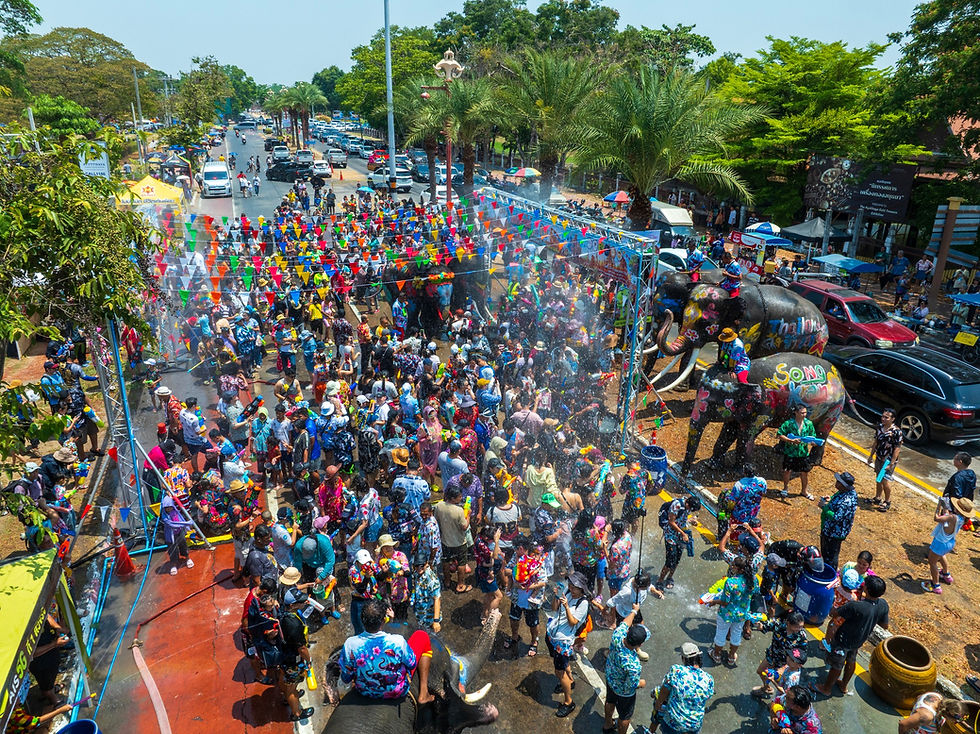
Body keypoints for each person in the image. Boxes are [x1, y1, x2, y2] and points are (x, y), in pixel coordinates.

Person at [338, 599, 434, 703]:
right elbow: (412, 664)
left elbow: (346, 677)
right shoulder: (397, 642)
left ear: (362, 620)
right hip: (397, 691)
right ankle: (424, 693)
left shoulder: (350, 644)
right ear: (384, 620)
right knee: (422, 635)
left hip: (364, 691)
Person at [815, 574, 888, 696]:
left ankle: (826, 688)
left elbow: (834, 614)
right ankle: (843, 685)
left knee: (837, 664)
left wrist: (835, 603)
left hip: (843, 639)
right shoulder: (883, 605)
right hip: (859, 639)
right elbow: (884, 625)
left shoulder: (855, 606)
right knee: (851, 660)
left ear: (867, 590)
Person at [546, 571, 591, 718]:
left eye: (574, 587)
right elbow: (554, 608)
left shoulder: (583, 603)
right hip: (553, 634)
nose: (571, 588)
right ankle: (570, 681)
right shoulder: (567, 591)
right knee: (563, 665)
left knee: (559, 672)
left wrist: (566, 606)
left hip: (563, 641)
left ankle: (568, 702)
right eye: (570, 585)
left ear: (582, 588)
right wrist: (556, 597)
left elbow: (573, 623)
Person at [646, 642, 714, 734]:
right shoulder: (708, 679)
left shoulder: (676, 671)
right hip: (694, 725)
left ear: (683, 658)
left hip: (674, 722)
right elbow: (707, 696)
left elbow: (664, 689)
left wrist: (658, 702)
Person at [603, 602, 648, 734]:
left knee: (610, 701)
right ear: (639, 644)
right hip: (623, 693)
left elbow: (625, 623)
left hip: (610, 679)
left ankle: (607, 725)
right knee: (625, 716)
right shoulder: (634, 664)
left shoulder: (617, 636)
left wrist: (634, 611)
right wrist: (641, 683)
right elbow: (630, 685)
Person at [706, 555, 757, 667]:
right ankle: (731, 657)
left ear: (741, 569)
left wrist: (714, 601)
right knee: (736, 634)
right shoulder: (753, 580)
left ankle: (717, 654)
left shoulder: (731, 582)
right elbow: (755, 592)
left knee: (721, 633)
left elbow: (725, 601)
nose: (732, 567)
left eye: (734, 566)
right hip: (741, 614)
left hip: (726, 614)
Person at [921, 496, 974, 594]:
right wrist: (945, 508)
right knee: (941, 556)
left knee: (932, 563)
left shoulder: (952, 517)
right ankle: (946, 574)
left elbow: (937, 518)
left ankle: (935, 585)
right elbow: (947, 518)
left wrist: (938, 506)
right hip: (949, 543)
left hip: (940, 543)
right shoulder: (961, 519)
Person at [278, 588, 316, 721]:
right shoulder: (293, 624)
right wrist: (309, 660)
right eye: (300, 602)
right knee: (292, 688)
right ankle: (296, 713)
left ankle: (285, 697)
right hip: (292, 659)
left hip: (283, 654)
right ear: (292, 605)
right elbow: (302, 649)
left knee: (284, 676)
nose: (303, 602)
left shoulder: (282, 612)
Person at [752, 611, 807, 698]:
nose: (800, 629)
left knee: (781, 686)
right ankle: (767, 688)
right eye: (797, 627)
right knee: (761, 671)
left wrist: (784, 667)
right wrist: (758, 625)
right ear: (788, 623)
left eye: (801, 626)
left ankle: (779, 703)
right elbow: (765, 626)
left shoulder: (801, 635)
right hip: (772, 655)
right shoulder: (778, 624)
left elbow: (801, 654)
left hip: (786, 663)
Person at [656, 495, 701, 590]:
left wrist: (690, 521)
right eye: (691, 509)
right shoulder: (677, 505)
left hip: (680, 534)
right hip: (670, 534)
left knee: (677, 559)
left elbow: (682, 520)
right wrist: (683, 533)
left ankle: (669, 577)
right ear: (687, 503)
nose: (690, 511)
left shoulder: (687, 506)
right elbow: (671, 522)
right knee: (670, 560)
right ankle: (660, 581)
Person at [433, 484, 471, 593]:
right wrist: (468, 515)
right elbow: (464, 527)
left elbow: (436, 521)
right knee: (461, 563)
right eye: (459, 496)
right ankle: (460, 584)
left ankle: (447, 581)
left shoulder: (439, 506)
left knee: (445, 561)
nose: (461, 498)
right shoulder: (459, 511)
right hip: (459, 542)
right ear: (453, 498)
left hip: (445, 541)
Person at [818, 472, 857, 570]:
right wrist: (831, 499)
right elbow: (838, 501)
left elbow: (836, 517)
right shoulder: (844, 492)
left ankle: (829, 572)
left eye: (839, 482)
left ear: (844, 486)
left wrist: (824, 507)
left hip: (834, 533)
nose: (836, 483)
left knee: (830, 556)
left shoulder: (846, 502)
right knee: (825, 553)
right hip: (828, 529)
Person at [776, 405, 817, 499]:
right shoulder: (789, 423)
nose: (804, 415)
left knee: (804, 472)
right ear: (796, 413)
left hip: (803, 453)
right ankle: (785, 488)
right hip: (790, 452)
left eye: (805, 413)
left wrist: (813, 443)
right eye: (802, 413)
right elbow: (780, 434)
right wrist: (790, 441)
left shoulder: (809, 424)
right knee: (787, 471)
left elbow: (813, 436)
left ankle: (804, 491)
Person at [868, 408, 902, 512]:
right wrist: (871, 456)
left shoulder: (897, 432)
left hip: (888, 461)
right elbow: (876, 442)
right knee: (878, 478)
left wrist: (891, 463)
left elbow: (897, 448)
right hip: (879, 457)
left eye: (886, 417)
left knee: (885, 481)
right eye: (883, 416)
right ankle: (878, 497)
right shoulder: (880, 427)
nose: (883, 419)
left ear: (893, 419)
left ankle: (887, 501)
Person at [161, 494, 194, 576]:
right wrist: (185, 523)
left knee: (183, 545)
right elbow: (171, 524)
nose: (168, 509)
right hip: (171, 536)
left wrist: (187, 526)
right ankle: (173, 565)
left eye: (170, 506)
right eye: (166, 507)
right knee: (173, 549)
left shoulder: (175, 511)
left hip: (180, 532)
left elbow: (181, 518)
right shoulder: (164, 515)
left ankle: (187, 558)